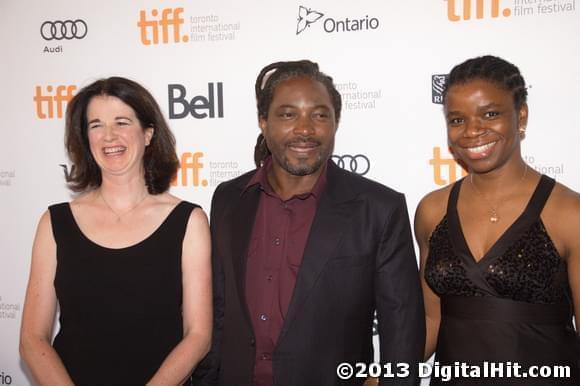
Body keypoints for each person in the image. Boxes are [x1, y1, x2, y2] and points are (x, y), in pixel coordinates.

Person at [193, 60, 424, 386]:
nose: (305, 129)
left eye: (319, 115)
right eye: (288, 114)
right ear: (263, 121)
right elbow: (218, 312)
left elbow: (401, 331)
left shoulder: (379, 209)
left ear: (335, 123)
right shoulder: (229, 199)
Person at [19, 77, 212, 386]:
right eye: (95, 125)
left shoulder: (188, 221)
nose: (109, 136)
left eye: (122, 122)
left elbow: (198, 334)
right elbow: (32, 338)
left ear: (148, 133)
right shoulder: (54, 223)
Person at [415, 55, 580, 385]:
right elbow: (431, 322)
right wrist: (383, 372)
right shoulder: (432, 210)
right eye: (457, 119)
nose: (472, 131)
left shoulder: (568, 213)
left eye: (490, 114)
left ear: (521, 115)